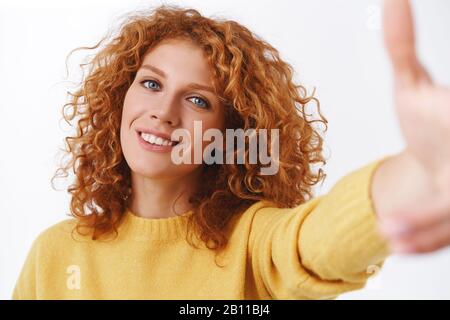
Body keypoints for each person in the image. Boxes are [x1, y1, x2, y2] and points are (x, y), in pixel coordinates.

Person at [12, 0, 450, 299]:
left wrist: (422, 167)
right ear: (119, 96)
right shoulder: (56, 254)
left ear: (231, 132)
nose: (163, 112)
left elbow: (321, 239)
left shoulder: (253, 243)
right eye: (150, 83)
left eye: (198, 100)